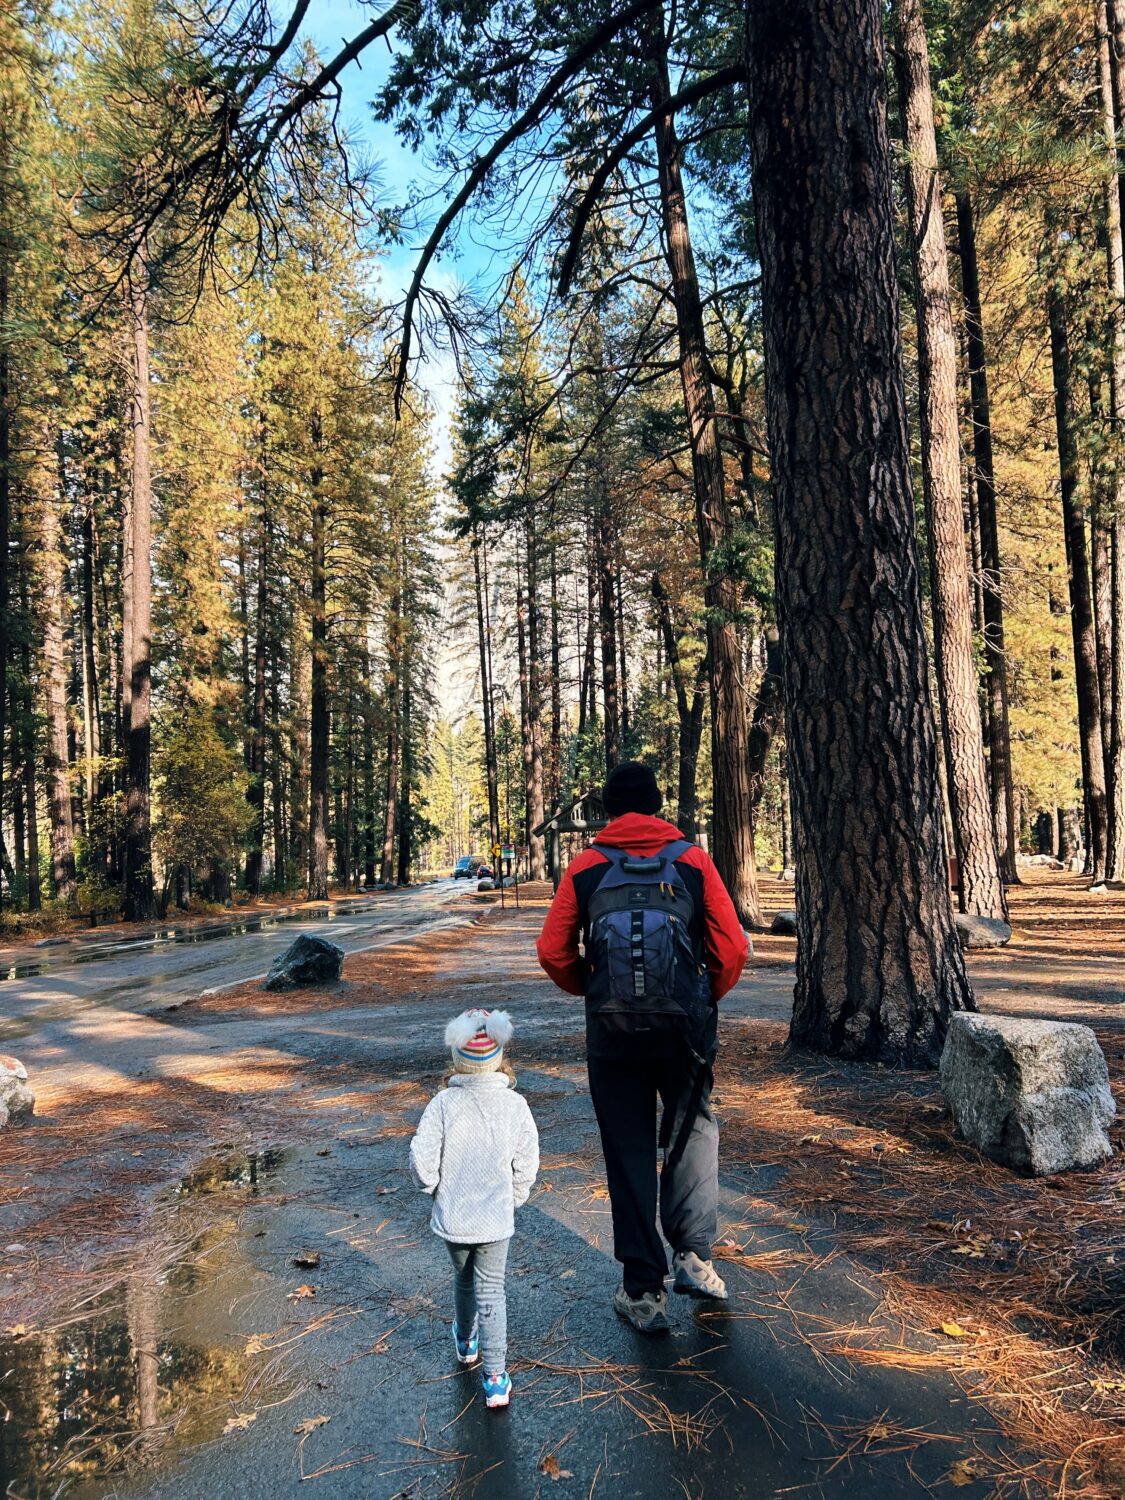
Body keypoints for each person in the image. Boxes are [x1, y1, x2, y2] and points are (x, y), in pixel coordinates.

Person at [536, 762, 748, 1333]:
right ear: (656, 806)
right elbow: (731, 949)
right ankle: (695, 1259)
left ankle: (643, 1292)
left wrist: (595, 988)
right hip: (685, 1031)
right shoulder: (693, 861)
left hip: (612, 1034)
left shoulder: (584, 866)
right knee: (693, 1131)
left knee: (627, 1150)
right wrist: (702, 999)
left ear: (607, 810)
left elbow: (553, 952)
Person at [409, 1008, 539, 1407]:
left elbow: (422, 1157)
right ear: (500, 1056)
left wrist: (431, 1187)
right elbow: (527, 1159)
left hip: (454, 1218)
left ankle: (466, 1342)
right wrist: (515, 1197)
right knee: (492, 1291)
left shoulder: (443, 1104)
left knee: (463, 1280)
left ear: (456, 1058)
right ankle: (496, 1378)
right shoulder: (514, 1105)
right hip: (495, 1220)